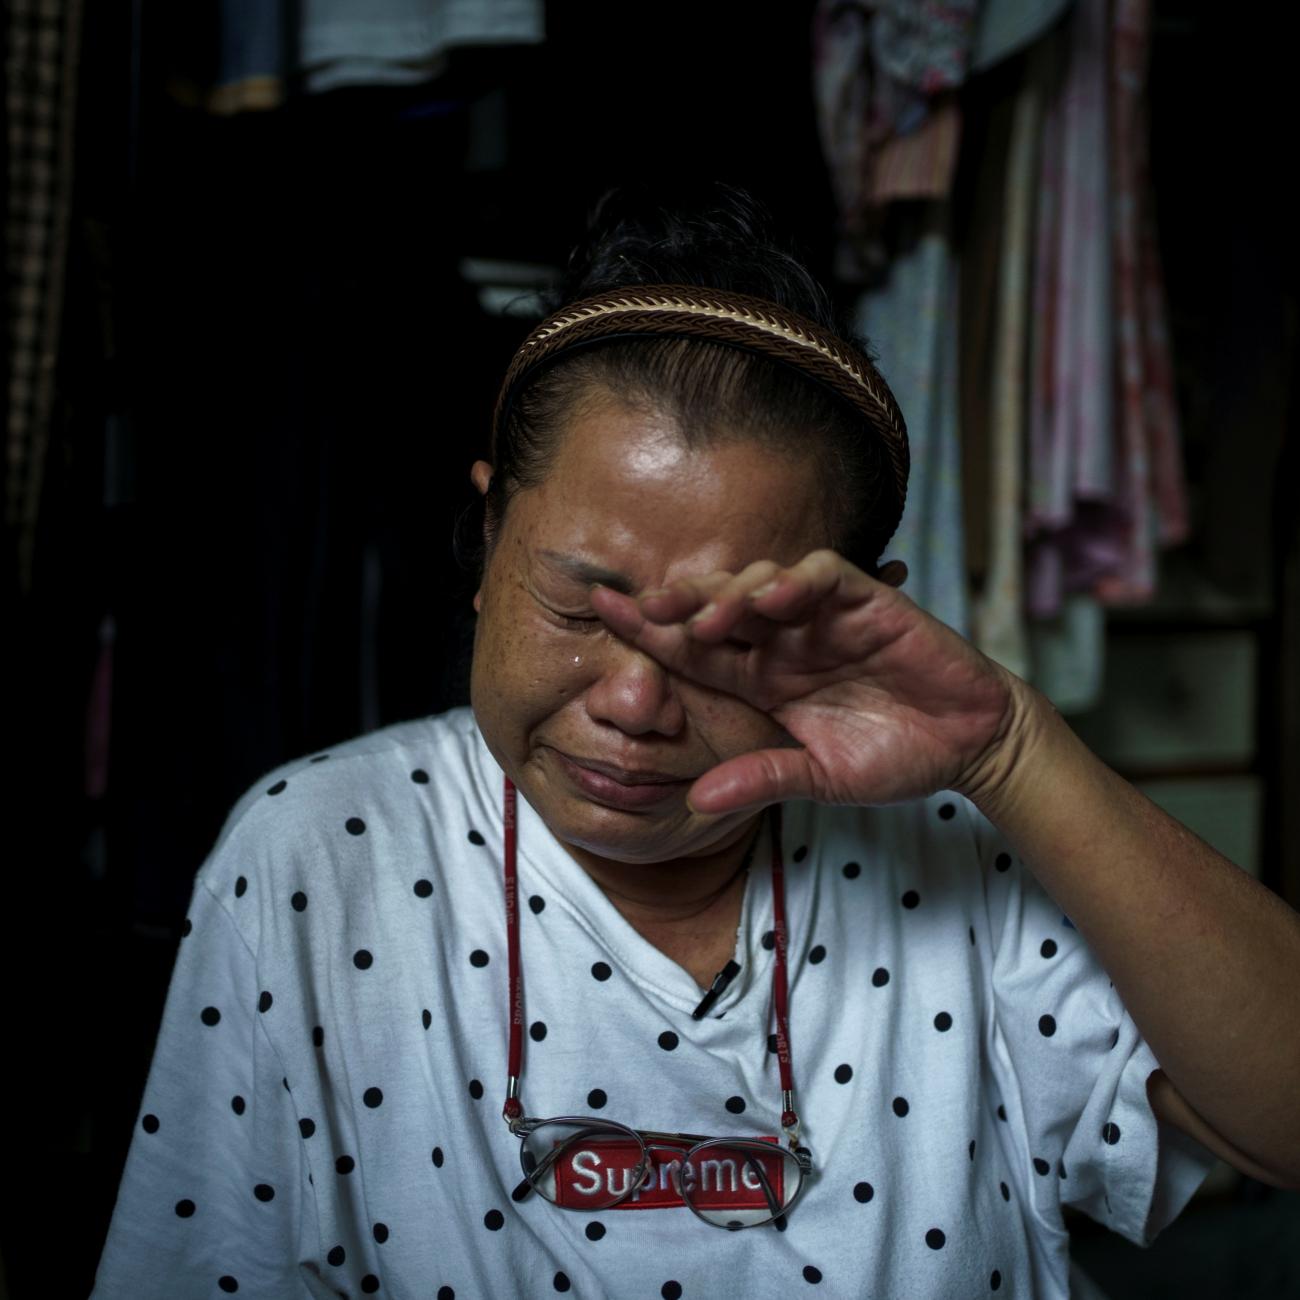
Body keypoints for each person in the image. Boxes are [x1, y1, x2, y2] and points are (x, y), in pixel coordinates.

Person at [92, 186, 1300, 1300]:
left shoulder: (959, 851)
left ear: (852, 612)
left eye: (722, 645)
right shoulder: (313, 858)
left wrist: (1012, 751)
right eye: (576, 607)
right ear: (487, 534)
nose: (632, 701)